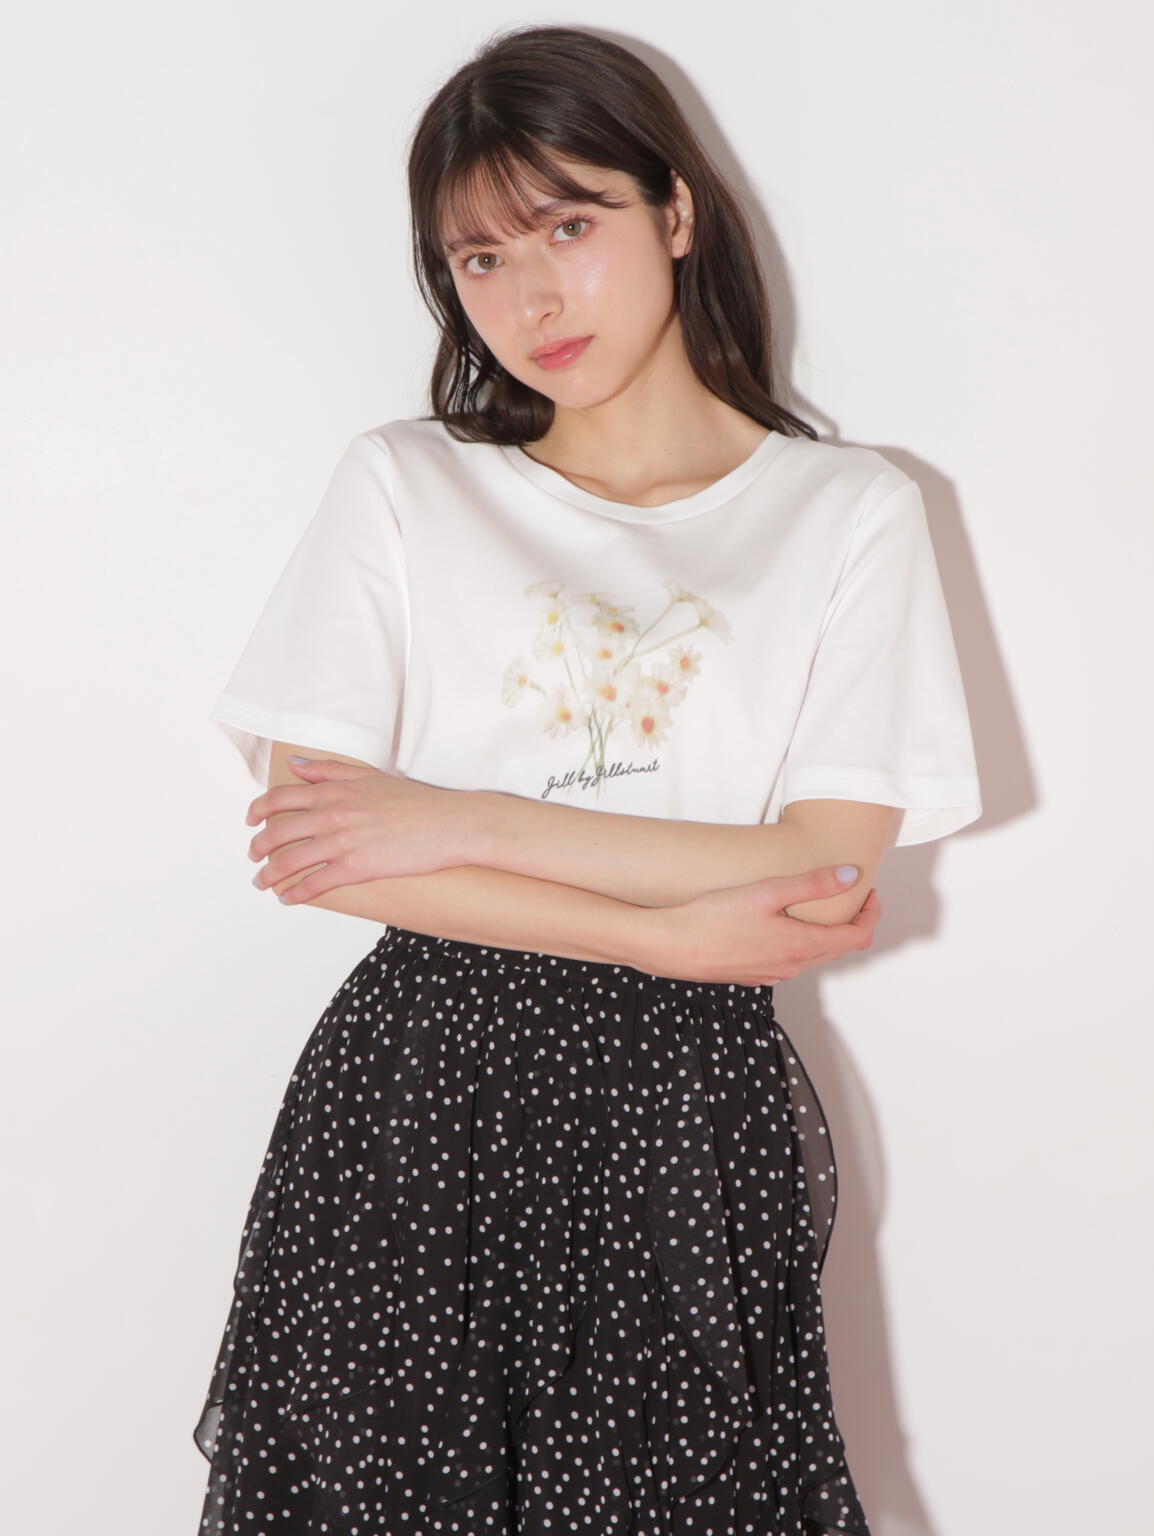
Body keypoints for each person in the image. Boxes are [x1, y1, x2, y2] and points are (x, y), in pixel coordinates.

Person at [192, 23, 981, 1536]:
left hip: (686, 1113)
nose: (531, 296)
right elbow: (318, 847)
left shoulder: (847, 512)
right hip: (420, 1098)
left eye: (568, 225)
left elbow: (823, 868)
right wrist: (664, 933)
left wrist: (453, 821)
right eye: (480, 259)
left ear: (675, 211)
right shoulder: (407, 482)